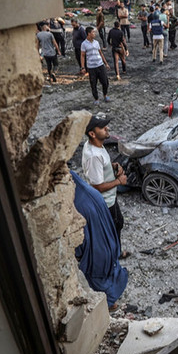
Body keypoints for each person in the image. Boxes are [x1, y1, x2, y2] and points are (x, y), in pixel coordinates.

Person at [71, 170, 128, 313]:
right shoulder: (90, 193)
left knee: (98, 278)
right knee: (109, 271)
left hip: (96, 251)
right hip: (108, 242)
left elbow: (80, 238)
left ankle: (108, 304)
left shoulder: (77, 205)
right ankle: (111, 301)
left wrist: (78, 254)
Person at [82, 115, 130, 259]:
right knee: (113, 228)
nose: (107, 128)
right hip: (105, 202)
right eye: (103, 127)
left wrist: (113, 166)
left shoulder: (95, 144)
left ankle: (113, 253)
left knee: (117, 224)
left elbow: (100, 169)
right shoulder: (94, 156)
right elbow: (97, 186)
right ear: (92, 133)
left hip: (109, 198)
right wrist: (119, 181)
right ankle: (113, 256)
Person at [80, 27, 111, 105]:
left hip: (100, 64)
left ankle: (105, 95)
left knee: (105, 82)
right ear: (89, 33)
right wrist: (83, 67)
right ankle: (96, 98)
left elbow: (100, 53)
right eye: (93, 32)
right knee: (93, 83)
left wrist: (106, 63)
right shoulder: (84, 44)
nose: (95, 34)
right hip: (91, 67)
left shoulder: (96, 42)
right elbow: (82, 56)